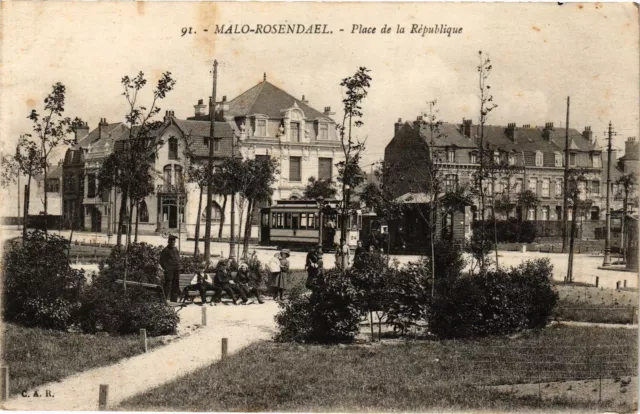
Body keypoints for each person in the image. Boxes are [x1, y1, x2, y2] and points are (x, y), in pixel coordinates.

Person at [159, 234, 180, 301]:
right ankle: (164, 300)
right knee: (167, 285)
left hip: (176, 270)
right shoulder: (165, 250)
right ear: (168, 242)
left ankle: (174, 300)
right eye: (171, 242)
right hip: (169, 271)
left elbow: (177, 258)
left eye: (174, 242)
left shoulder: (175, 249)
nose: (172, 243)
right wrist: (166, 268)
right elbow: (162, 261)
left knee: (175, 285)